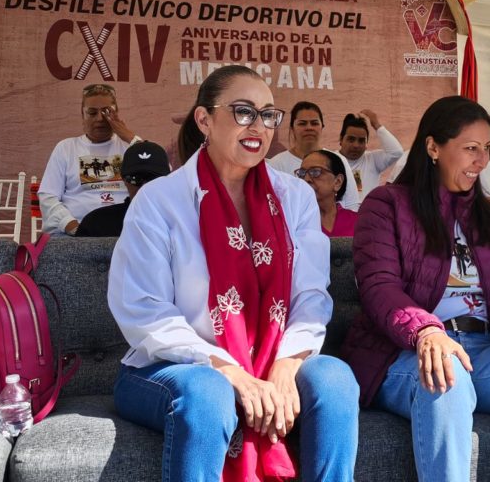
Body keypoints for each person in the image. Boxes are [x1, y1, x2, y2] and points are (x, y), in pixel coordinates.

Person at [108, 65, 358, 482]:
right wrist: (230, 372)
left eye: (267, 114)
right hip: (178, 366)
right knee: (209, 394)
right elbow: (144, 310)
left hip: (273, 355)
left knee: (334, 380)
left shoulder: (294, 196)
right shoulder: (160, 200)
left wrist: (286, 364)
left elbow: (311, 296)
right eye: (243, 111)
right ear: (204, 119)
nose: (257, 125)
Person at [341, 95, 490, 482]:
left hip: (483, 355)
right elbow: (378, 286)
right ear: (433, 147)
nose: (482, 161)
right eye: (471, 148)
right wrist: (426, 331)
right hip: (405, 353)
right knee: (445, 368)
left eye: (486, 149)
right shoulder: (386, 204)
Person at [38, 84, 142, 235]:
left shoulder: (131, 148)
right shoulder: (66, 148)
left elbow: (160, 179)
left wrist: (129, 137)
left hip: (125, 231)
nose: (100, 118)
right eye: (92, 113)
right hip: (75, 233)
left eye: (107, 112)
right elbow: (48, 197)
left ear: (117, 114)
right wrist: (73, 227)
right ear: (83, 116)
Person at [267, 102, 360, 212]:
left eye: (314, 123)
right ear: (292, 128)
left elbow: (352, 205)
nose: (309, 128)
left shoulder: (339, 160)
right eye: (302, 123)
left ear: (322, 127)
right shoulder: (275, 165)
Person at [76, 141, 170, 237]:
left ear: (169, 180)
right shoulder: (95, 223)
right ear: (124, 180)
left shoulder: (181, 221)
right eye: (135, 179)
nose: (144, 186)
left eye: (153, 179)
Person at [338, 110, 404, 197]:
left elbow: (396, 152)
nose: (356, 145)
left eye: (361, 141)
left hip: (367, 210)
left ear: (366, 144)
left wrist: (377, 125)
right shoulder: (330, 159)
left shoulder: (372, 160)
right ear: (341, 140)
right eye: (351, 139)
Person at [295, 149, 357, 237]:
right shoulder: (294, 222)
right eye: (302, 173)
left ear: (337, 182)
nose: (306, 179)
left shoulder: (358, 222)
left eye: (315, 172)